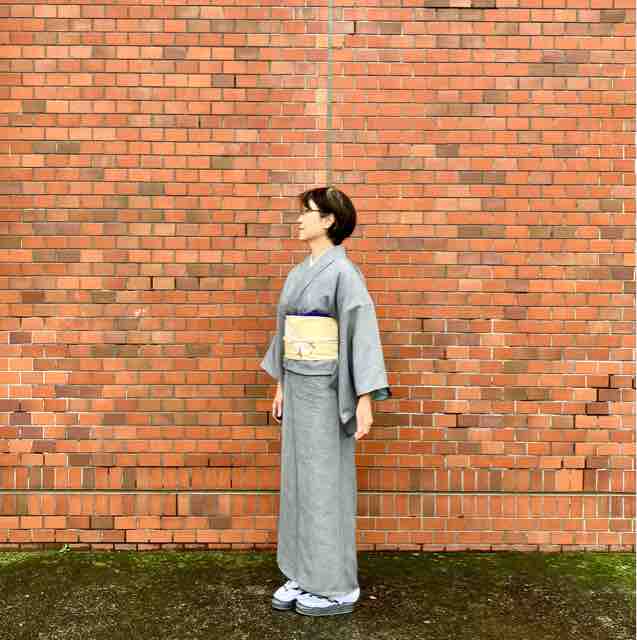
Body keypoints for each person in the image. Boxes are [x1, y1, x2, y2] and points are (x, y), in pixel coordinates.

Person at [260, 186, 391, 617]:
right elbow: (285, 331)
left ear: (329, 220)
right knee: (298, 482)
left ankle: (336, 585)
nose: (299, 219)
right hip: (298, 388)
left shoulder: (344, 273)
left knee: (324, 484)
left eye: (307, 212)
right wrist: (281, 385)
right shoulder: (299, 272)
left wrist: (364, 398)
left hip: (328, 390)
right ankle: (303, 571)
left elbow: (361, 332)